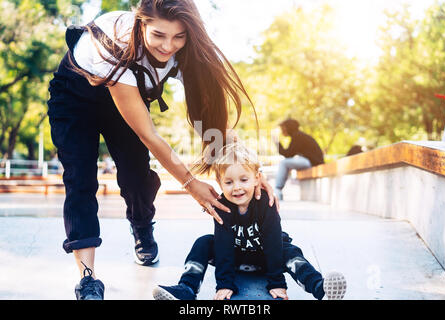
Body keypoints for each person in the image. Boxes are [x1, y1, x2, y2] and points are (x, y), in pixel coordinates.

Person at [47, 0, 277, 300]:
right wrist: (191, 184)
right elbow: (149, 134)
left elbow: (212, 122)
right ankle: (87, 279)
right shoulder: (114, 43)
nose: (168, 46)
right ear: (140, 22)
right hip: (74, 100)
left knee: (137, 177)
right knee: (80, 180)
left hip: (125, 105)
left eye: (178, 36)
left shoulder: (184, 52)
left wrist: (249, 170)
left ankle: (142, 227)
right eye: (158, 35)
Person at [152, 143, 346, 300]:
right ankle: (186, 289)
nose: (236, 188)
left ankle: (320, 288)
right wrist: (225, 284)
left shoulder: (265, 204)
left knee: (290, 251)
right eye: (228, 182)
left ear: (257, 179)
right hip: (235, 258)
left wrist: (277, 283)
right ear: (220, 183)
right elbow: (223, 245)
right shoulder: (222, 205)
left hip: (265, 258)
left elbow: (272, 243)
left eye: (243, 180)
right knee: (204, 242)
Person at [273, 118, 324, 200]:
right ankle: (278, 190)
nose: (282, 131)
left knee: (284, 163)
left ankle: (277, 190)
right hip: (310, 161)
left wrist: (277, 143)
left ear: (289, 128)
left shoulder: (298, 136)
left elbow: (288, 154)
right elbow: (289, 154)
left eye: (283, 129)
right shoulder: (298, 135)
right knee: (286, 163)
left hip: (312, 162)